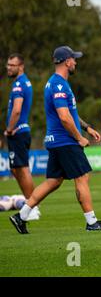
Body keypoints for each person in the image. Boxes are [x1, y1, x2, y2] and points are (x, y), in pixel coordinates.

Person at [9, 46, 101, 234]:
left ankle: (21, 216)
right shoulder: (58, 85)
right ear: (67, 61)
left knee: (53, 181)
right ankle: (92, 222)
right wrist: (79, 138)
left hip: (56, 140)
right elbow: (64, 117)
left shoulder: (57, 83)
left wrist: (87, 127)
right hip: (65, 141)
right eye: (74, 59)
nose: (75, 62)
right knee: (82, 177)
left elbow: (71, 114)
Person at [4, 53, 40, 220]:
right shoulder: (23, 82)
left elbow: (17, 110)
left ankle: (32, 207)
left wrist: (10, 129)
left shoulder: (19, 84)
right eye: (8, 64)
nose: (8, 67)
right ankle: (30, 203)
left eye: (12, 65)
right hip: (19, 132)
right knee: (15, 168)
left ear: (21, 66)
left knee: (22, 168)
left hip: (18, 132)